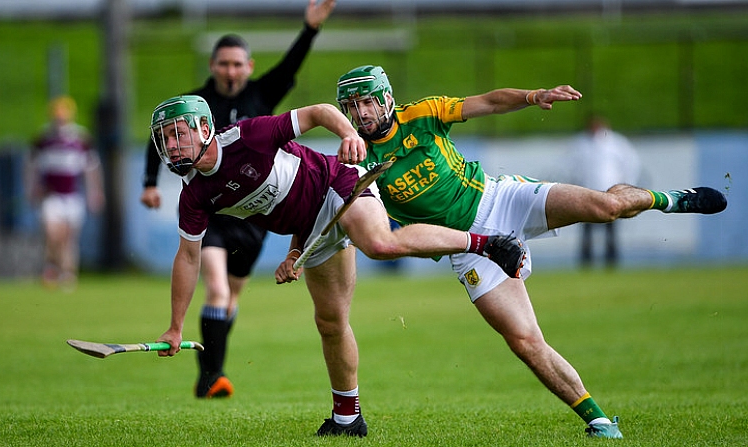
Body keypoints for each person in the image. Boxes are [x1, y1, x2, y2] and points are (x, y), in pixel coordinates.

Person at [331, 65, 728, 439]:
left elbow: (487, 102)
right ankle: (600, 421)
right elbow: (345, 219)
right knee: (523, 340)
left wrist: (533, 95)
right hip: (468, 248)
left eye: (367, 102)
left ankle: (671, 199)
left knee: (607, 208)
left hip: (500, 198)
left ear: (385, 99)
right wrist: (298, 250)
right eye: (352, 106)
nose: (361, 113)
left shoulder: (422, 113)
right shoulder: (354, 163)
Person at [149, 95, 526, 438]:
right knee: (330, 322)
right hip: (309, 229)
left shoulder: (247, 137)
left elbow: (317, 112)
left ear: (204, 128)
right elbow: (188, 258)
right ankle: (347, 418)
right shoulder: (194, 195)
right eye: (165, 139)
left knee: (379, 243)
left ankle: (488, 244)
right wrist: (175, 327)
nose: (171, 145)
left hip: (338, 183)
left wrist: (349, 134)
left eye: (177, 134)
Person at [139, 0, 336, 399]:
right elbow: (159, 139)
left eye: (237, 64)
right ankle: (212, 376)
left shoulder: (262, 95)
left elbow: (290, 68)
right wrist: (150, 182)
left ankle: (211, 369)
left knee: (231, 297)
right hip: (213, 212)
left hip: (255, 213)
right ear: (212, 66)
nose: (231, 70)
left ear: (248, 67)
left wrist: (310, 29)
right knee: (217, 290)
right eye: (223, 63)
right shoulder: (192, 106)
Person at [26, 95, 105, 291]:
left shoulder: (81, 138)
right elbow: (30, 166)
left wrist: (95, 192)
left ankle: (67, 273)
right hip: (51, 195)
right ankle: (52, 266)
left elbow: (91, 168)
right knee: (53, 232)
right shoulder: (43, 139)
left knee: (69, 237)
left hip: (72, 195)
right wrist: (32, 188)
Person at [567, 114, 642, 268]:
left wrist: (627, 185)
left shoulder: (616, 143)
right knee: (586, 227)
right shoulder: (581, 144)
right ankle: (586, 260)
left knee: (611, 225)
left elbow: (630, 164)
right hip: (587, 190)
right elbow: (573, 167)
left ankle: (611, 259)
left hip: (610, 189)